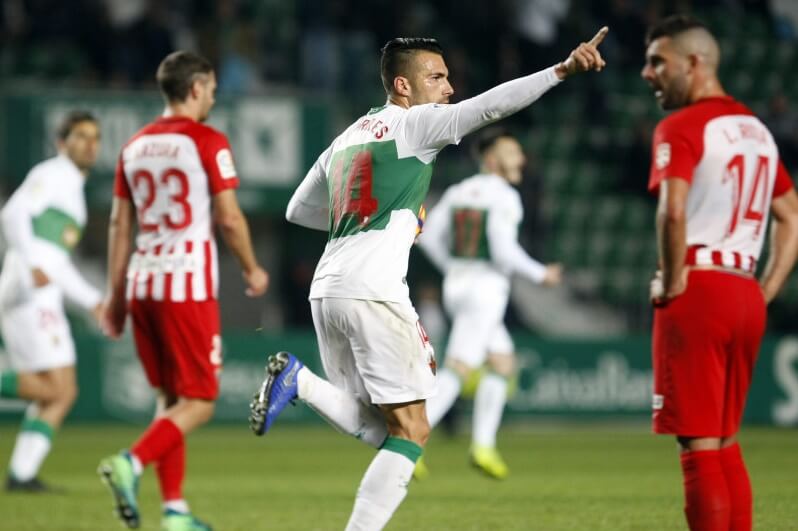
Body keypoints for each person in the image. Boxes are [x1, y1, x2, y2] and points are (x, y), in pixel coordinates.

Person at [248, 29, 607, 531]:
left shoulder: (347, 137)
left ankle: (299, 381)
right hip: (373, 290)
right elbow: (487, 108)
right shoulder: (414, 125)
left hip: (328, 289)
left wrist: (363, 218)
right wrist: (560, 72)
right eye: (436, 78)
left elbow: (296, 210)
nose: (448, 88)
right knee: (413, 430)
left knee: (383, 427)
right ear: (403, 86)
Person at [98, 51, 269, 531]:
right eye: (211, 89)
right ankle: (128, 463)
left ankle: (174, 512)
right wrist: (252, 269)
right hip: (185, 285)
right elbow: (229, 217)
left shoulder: (133, 146)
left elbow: (118, 224)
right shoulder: (207, 140)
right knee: (200, 402)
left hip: (142, 284)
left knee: (170, 401)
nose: (214, 96)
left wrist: (114, 297)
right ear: (195, 88)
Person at [642, 15, 798, 531]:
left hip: (701, 288)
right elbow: (791, 214)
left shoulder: (682, 125)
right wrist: (767, 289)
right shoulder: (756, 130)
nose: (647, 73)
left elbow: (673, 210)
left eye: (657, 61)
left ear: (694, 63)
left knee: (699, 446)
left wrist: (672, 277)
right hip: (743, 291)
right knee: (726, 440)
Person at [415, 128, 562, 480]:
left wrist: (452, 265)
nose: (521, 159)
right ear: (493, 160)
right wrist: (540, 274)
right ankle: (408, 442)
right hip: (484, 291)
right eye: (513, 152)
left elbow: (426, 236)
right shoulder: (505, 196)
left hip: (459, 284)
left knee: (503, 362)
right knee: (459, 367)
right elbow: (502, 250)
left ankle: (483, 445)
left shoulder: (459, 191)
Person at [0, 111, 103, 492]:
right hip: (27, 292)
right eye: (80, 136)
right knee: (54, 389)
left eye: (95, 137)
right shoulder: (54, 174)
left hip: (40, 291)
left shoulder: (72, 187)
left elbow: (57, 264)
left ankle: (21, 475)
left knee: (61, 392)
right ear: (62, 143)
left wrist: (93, 300)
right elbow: (12, 214)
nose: (90, 144)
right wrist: (29, 261)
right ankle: (22, 475)